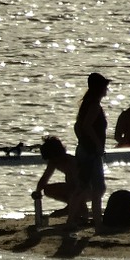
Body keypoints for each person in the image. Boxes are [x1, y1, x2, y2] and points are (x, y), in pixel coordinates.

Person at [68, 72, 110, 229]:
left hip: (84, 150)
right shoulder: (93, 106)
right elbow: (85, 126)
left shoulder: (86, 104)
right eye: (105, 86)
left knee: (83, 187)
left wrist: (82, 141)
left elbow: (78, 127)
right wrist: (98, 144)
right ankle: (98, 223)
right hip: (91, 153)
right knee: (97, 188)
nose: (107, 89)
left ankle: (71, 220)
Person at [32, 136, 84, 223]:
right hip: (73, 189)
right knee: (47, 190)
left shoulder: (71, 162)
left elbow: (79, 186)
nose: (51, 161)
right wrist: (37, 191)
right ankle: (74, 207)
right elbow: (45, 178)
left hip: (85, 189)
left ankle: (74, 209)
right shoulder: (54, 162)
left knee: (74, 192)